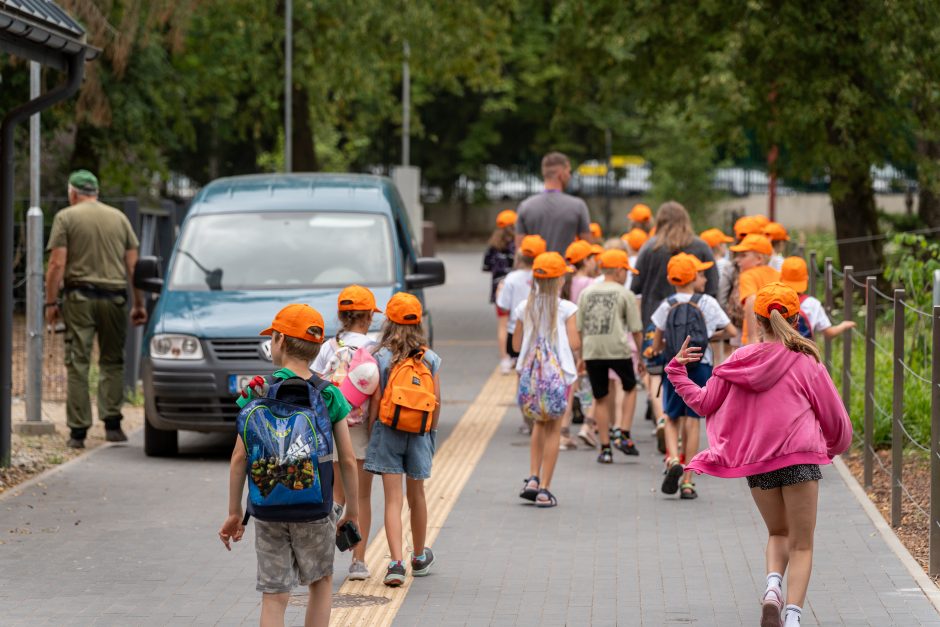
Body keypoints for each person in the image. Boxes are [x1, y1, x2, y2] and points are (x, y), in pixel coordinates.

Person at [665, 283, 852, 627]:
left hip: (758, 463)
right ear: (796, 318)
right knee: (802, 545)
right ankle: (793, 617)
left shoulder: (738, 361)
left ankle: (771, 589)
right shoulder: (807, 360)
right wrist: (834, 448)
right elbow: (835, 418)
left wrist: (676, 371)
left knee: (777, 534)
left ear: (758, 320)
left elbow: (704, 402)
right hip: (801, 459)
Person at [219, 304, 360, 627]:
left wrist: (234, 513)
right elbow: (348, 460)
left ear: (280, 341)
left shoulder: (257, 392)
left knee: (275, 593)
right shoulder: (329, 395)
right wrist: (351, 509)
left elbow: (239, 458)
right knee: (321, 583)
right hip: (316, 507)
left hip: (267, 508)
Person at [44, 170, 148, 448]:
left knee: (78, 362)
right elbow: (134, 268)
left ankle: (78, 432)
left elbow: (56, 265)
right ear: (96, 192)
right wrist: (138, 304)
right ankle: (113, 424)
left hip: (80, 298)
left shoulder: (66, 217)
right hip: (115, 298)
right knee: (112, 360)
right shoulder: (120, 219)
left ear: (73, 193)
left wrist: (51, 302)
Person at [365, 292, 442, 587]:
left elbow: (375, 400)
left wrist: (373, 431)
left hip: (388, 431)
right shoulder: (430, 358)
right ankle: (419, 556)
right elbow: (436, 401)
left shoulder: (381, 357)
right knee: (417, 496)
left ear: (389, 322)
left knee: (392, 500)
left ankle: (396, 563)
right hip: (420, 433)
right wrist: (430, 433)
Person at [631, 201, 719, 450]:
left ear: (658, 221)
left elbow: (636, 287)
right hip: (694, 327)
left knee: (657, 373)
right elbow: (712, 286)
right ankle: (686, 427)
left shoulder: (650, 247)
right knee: (688, 374)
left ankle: (662, 418)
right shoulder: (701, 246)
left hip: (656, 323)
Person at [649, 253, 736, 499]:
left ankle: (673, 458)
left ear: (671, 278)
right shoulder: (707, 302)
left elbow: (657, 342)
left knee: (671, 416)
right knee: (693, 419)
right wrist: (707, 336)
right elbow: (730, 331)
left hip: (676, 366)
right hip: (701, 365)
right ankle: (688, 480)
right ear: (694, 277)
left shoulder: (667, 304)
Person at [311, 285, 381, 582]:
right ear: (368, 317)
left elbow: (315, 381)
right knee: (361, 497)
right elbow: (378, 392)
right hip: (361, 429)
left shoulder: (329, 345)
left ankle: (320, 555)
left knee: (336, 495)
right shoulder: (375, 346)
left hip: (331, 426)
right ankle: (358, 561)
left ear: (341, 315)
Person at [514, 252, 580, 507]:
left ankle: (532, 476)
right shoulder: (566, 308)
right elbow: (574, 343)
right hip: (559, 375)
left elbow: (516, 343)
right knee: (554, 427)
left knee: (538, 425)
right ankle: (545, 489)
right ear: (560, 279)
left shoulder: (524, 307)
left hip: (531, 375)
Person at [578, 249, 645, 463]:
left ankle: (605, 448)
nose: (626, 275)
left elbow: (580, 326)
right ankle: (623, 432)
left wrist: (580, 355)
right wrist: (642, 356)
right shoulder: (625, 294)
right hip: (617, 349)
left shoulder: (587, 293)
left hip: (592, 350)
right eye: (625, 271)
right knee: (630, 387)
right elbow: (636, 328)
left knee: (600, 397)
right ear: (618, 271)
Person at [515, 152, 592, 253]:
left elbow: (520, 250)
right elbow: (586, 248)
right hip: (565, 267)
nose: (569, 176)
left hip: (536, 267)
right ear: (561, 174)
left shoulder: (525, 206)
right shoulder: (578, 206)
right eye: (569, 172)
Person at [496, 235, 547, 378]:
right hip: (539, 330)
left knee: (521, 369)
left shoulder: (511, 279)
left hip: (515, 331)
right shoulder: (544, 277)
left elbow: (503, 310)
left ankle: (521, 396)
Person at [778, 257, 856, 339]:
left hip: (778, 351)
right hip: (803, 350)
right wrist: (843, 325)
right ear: (806, 279)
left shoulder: (775, 299)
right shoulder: (812, 303)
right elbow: (828, 332)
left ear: (781, 278)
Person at [484, 210, 518, 373]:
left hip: (498, 288)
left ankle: (504, 359)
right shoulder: (516, 245)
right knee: (517, 322)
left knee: (502, 325)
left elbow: (486, 266)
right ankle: (516, 355)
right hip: (515, 287)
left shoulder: (493, 245)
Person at [731, 234, 780, 346]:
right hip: (776, 333)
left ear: (759, 259)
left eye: (743, 256)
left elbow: (751, 300)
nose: (738, 260)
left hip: (756, 334)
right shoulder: (777, 274)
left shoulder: (747, 275)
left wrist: (752, 337)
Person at [700, 227, 736, 363]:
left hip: (706, 308)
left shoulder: (704, 266)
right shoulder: (726, 265)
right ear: (719, 246)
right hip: (722, 308)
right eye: (724, 244)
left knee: (711, 349)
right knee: (724, 350)